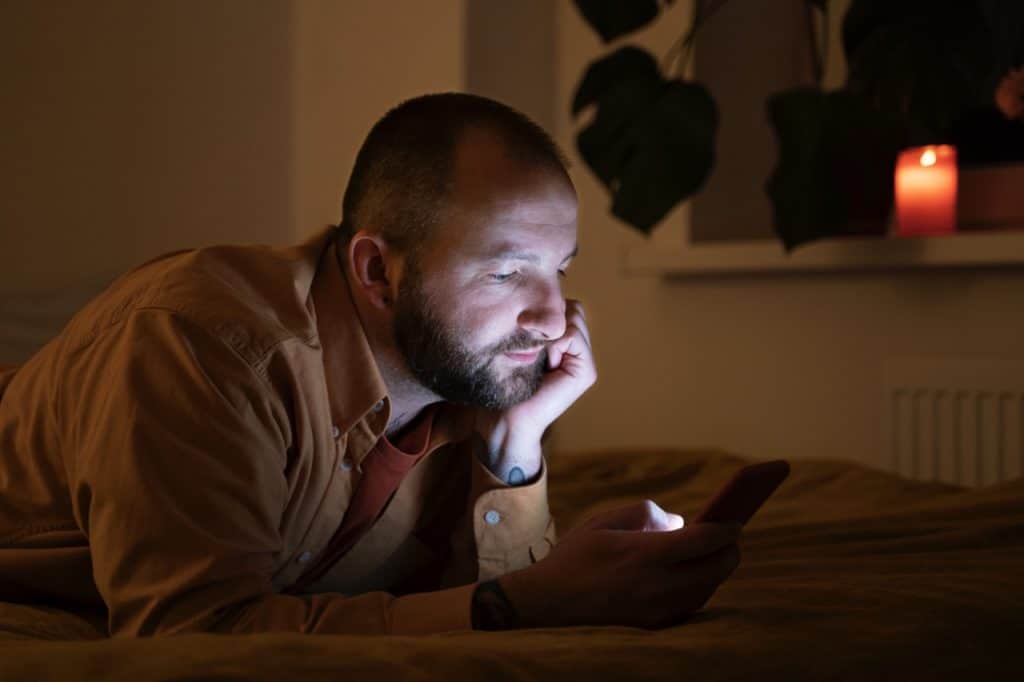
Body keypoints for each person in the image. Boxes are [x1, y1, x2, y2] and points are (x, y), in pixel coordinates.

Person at [0, 93, 741, 637]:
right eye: (508, 273)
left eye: (560, 270)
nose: (553, 319)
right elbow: (193, 641)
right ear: (378, 271)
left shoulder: (468, 374)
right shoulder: (201, 345)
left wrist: (514, 450)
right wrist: (532, 602)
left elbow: (485, 607)